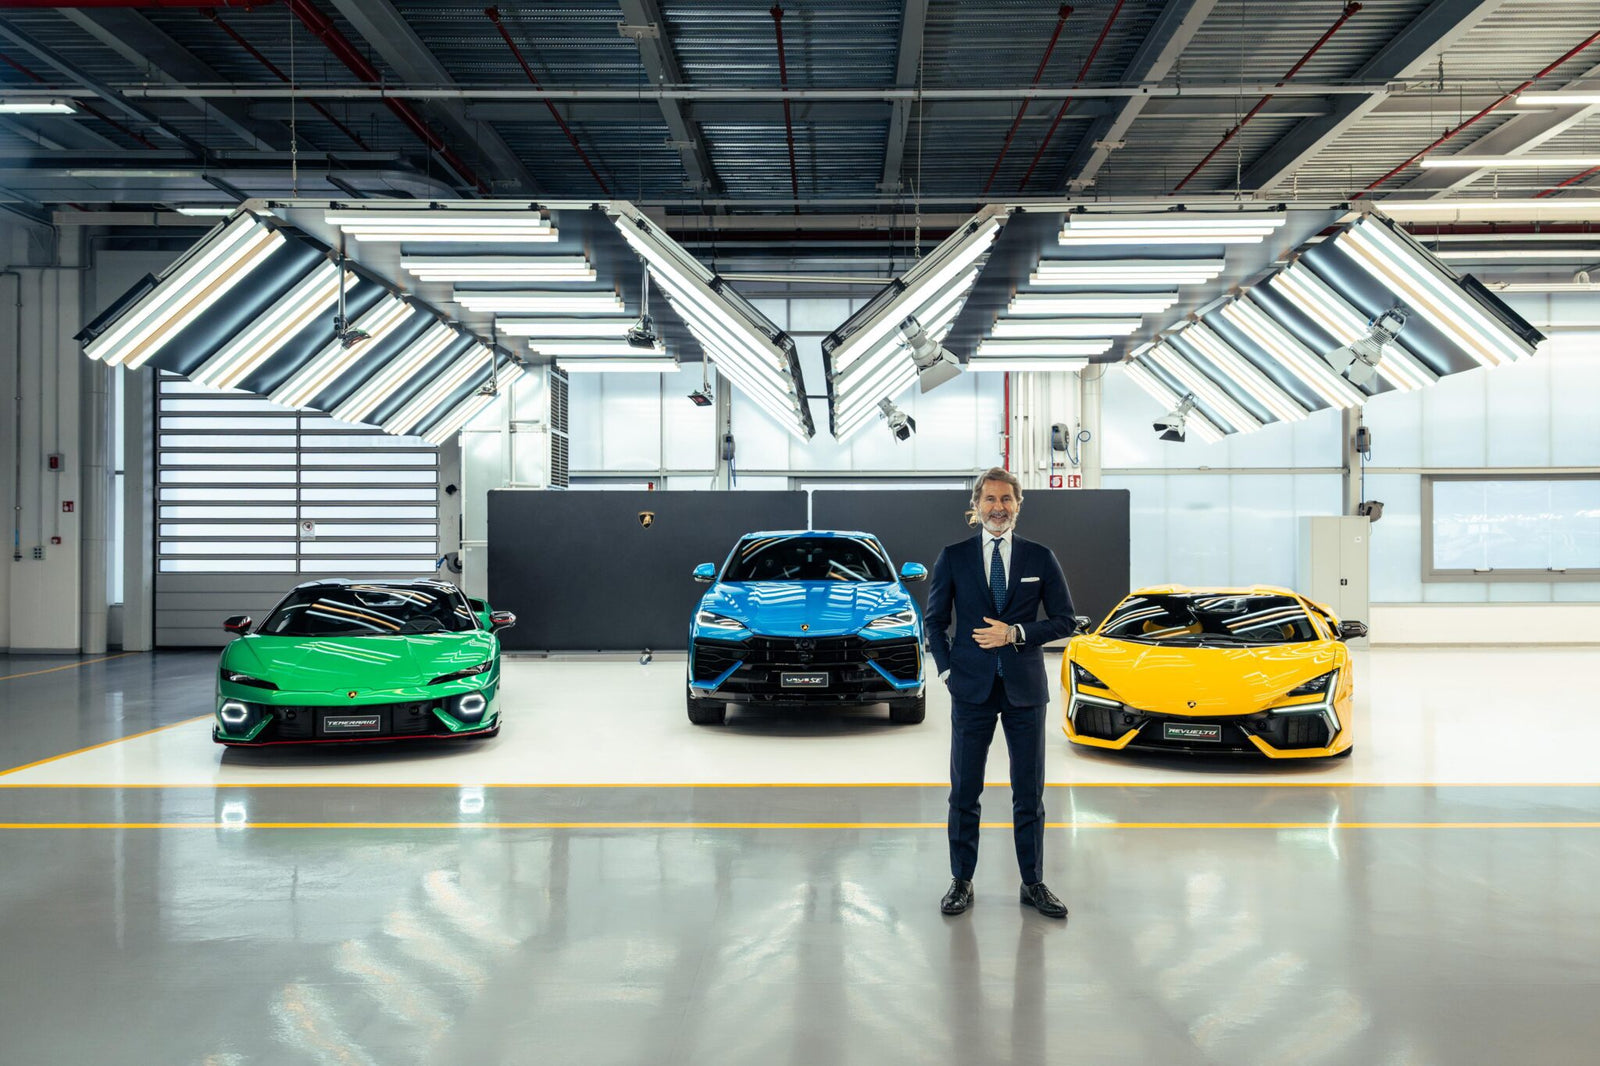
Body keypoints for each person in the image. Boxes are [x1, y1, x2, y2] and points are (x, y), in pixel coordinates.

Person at [925, 466, 1076, 919]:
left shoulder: (1040, 557)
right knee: (964, 791)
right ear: (976, 506)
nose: (998, 508)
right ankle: (961, 881)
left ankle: (1033, 883)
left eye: (1006, 500)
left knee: (1028, 792)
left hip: (1025, 691)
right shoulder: (953, 557)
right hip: (970, 689)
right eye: (989, 500)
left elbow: (1065, 620)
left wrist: (1015, 633)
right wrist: (949, 672)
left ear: (1017, 505)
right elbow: (933, 621)